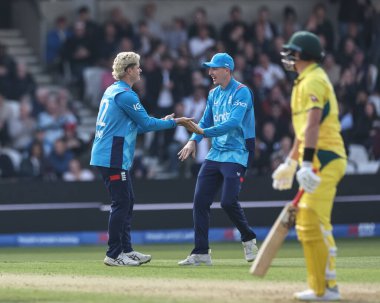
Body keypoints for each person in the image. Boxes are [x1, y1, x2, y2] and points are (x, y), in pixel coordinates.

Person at [90, 51, 196, 267]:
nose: (140, 70)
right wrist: (176, 123)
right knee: (121, 203)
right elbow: (146, 125)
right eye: (137, 67)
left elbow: (134, 126)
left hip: (111, 154)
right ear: (128, 70)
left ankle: (126, 250)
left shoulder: (113, 91)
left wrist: (162, 121)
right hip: (113, 155)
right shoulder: (126, 95)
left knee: (126, 202)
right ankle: (113, 254)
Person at [272, 31, 347, 301]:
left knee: (314, 219)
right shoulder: (302, 81)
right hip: (315, 158)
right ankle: (322, 288)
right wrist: (290, 163)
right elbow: (302, 132)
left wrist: (304, 163)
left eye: (292, 51)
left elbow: (314, 124)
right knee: (306, 222)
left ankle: (327, 289)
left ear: (302, 55)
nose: (289, 56)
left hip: (325, 158)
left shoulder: (314, 79)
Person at [177, 53, 258, 266]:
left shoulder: (242, 92)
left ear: (227, 70)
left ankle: (248, 238)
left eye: (214, 68)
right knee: (200, 202)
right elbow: (205, 120)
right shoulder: (213, 94)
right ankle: (201, 253)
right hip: (216, 154)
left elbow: (232, 123)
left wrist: (202, 133)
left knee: (228, 202)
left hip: (238, 153)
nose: (210, 72)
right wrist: (192, 140)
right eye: (210, 68)